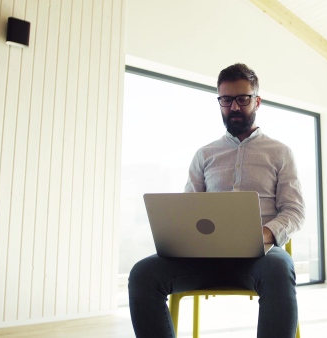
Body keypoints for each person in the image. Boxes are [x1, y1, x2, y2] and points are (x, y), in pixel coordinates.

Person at [128, 63, 305, 338]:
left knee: (280, 271)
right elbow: (188, 209)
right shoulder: (205, 154)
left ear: (256, 101)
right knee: (143, 274)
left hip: (260, 258)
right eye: (226, 100)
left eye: (243, 99)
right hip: (204, 259)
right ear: (219, 102)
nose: (234, 107)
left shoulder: (280, 152)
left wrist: (264, 234)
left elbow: (294, 211)